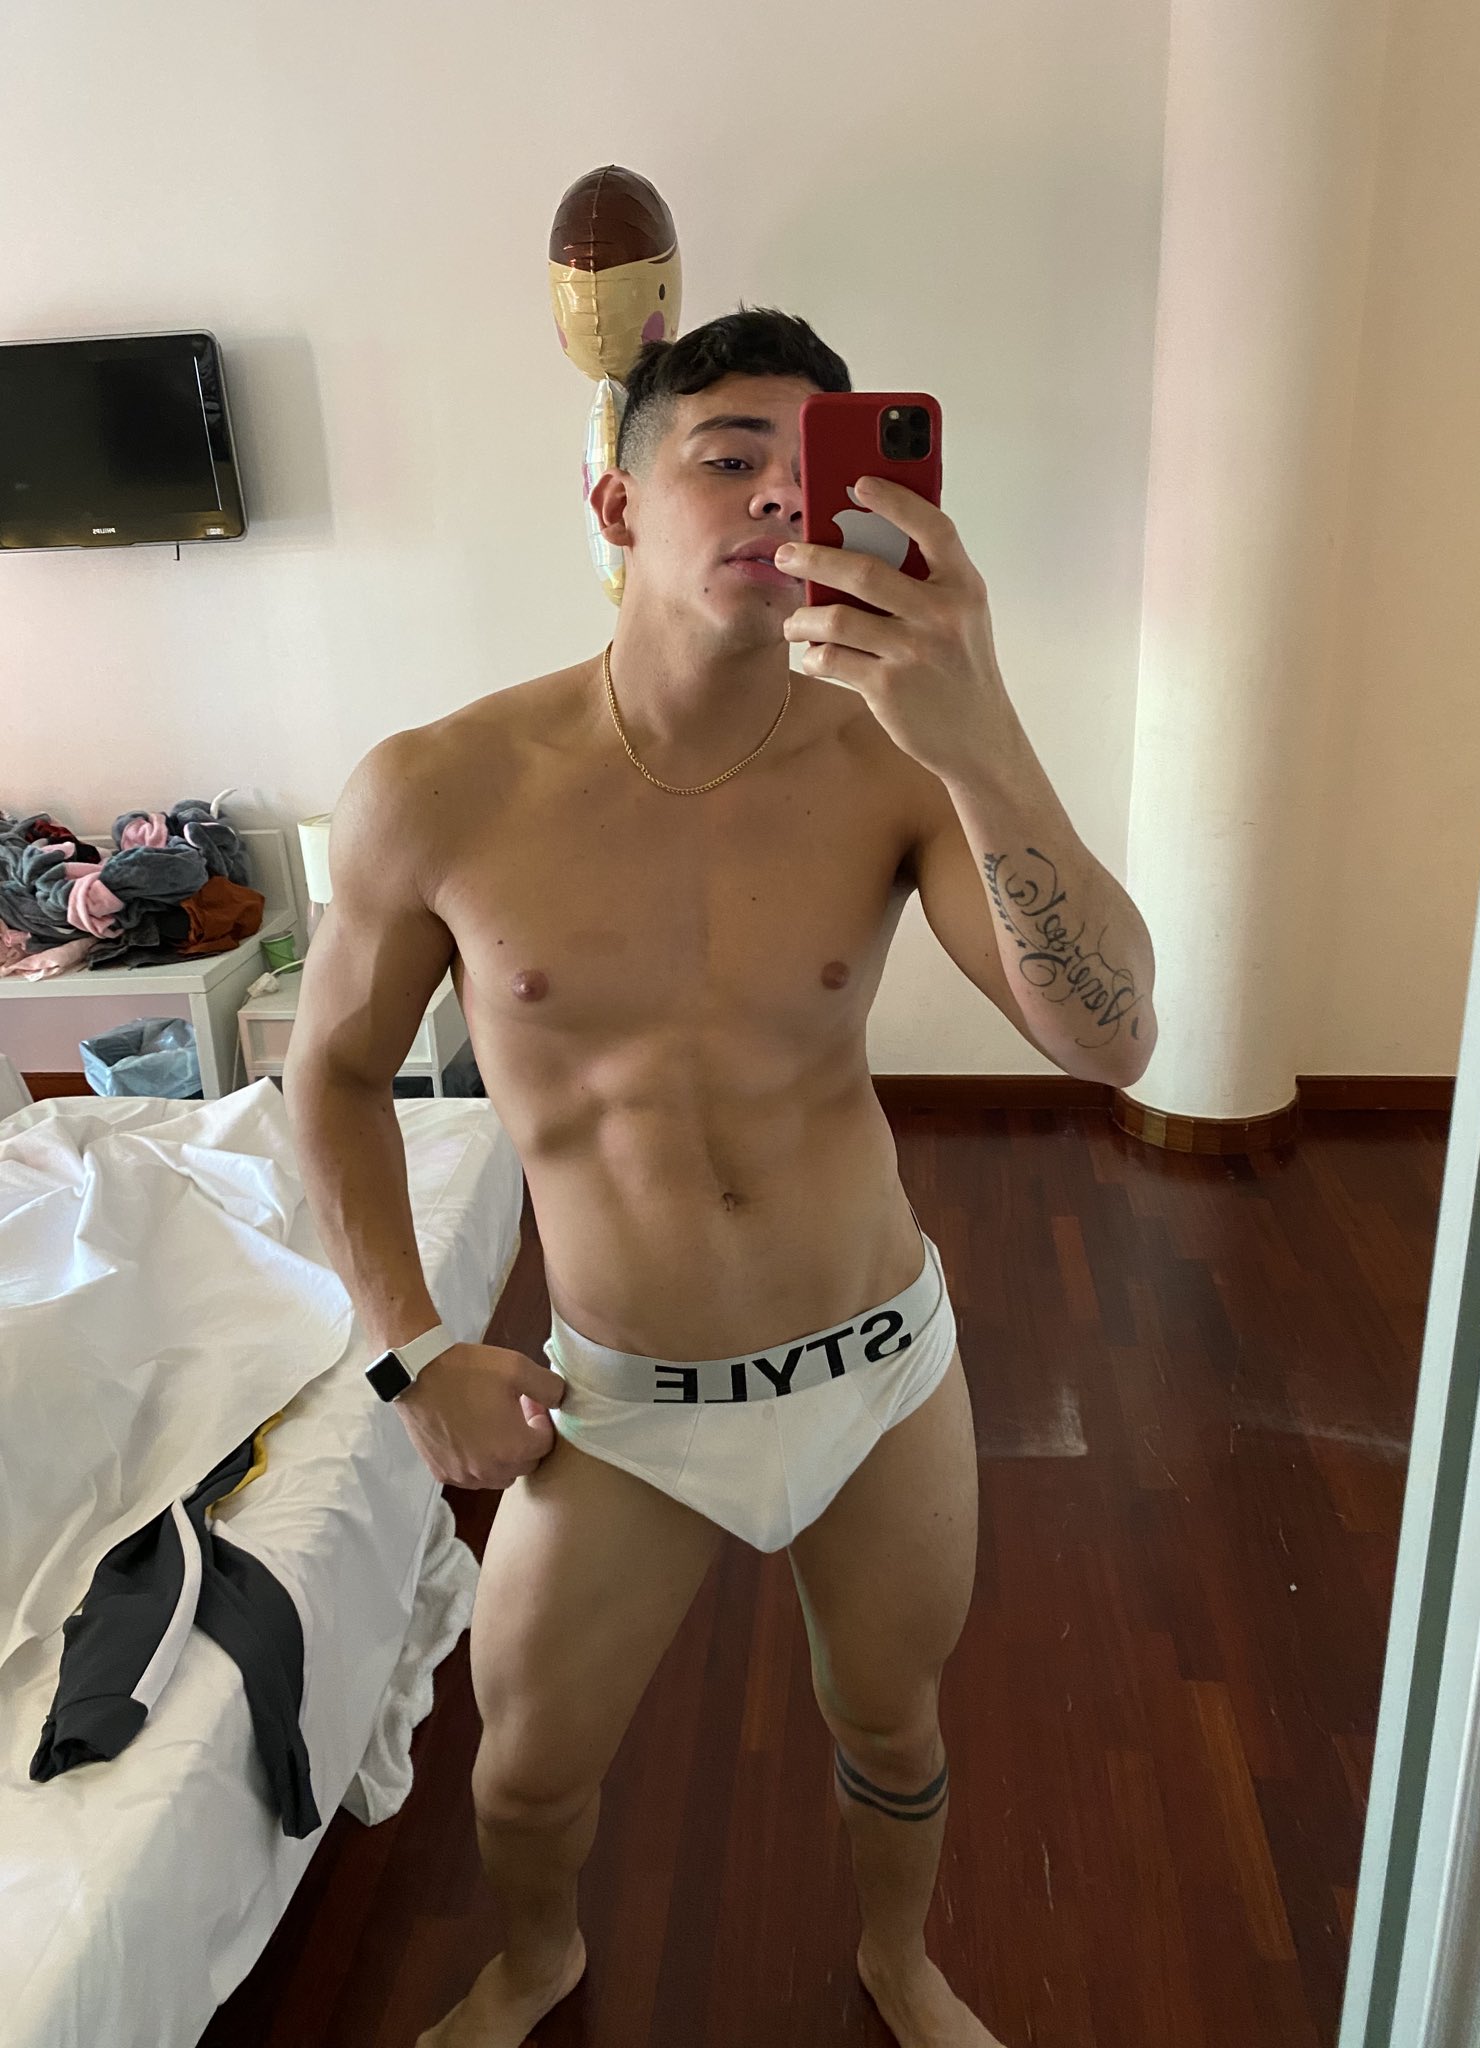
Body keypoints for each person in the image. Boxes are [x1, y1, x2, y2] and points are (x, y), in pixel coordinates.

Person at [284, 306, 1155, 2048]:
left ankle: (899, 1961)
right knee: (526, 1771)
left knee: (890, 1725)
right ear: (617, 505)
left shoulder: (895, 759)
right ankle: (536, 1963)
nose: (775, 496)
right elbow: (333, 1074)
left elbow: (1112, 1042)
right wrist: (411, 1354)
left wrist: (980, 730)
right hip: (626, 1403)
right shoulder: (440, 790)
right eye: (727, 457)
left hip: (877, 1369)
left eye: (806, 466)